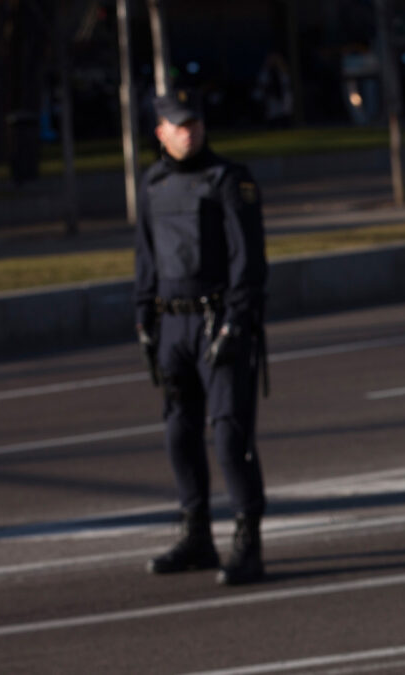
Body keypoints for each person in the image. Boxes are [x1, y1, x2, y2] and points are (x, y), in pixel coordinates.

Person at [134, 87, 269, 587]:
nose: (189, 131)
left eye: (195, 123)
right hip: (172, 325)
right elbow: (145, 257)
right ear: (160, 132)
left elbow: (248, 261)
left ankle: (247, 542)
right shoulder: (152, 184)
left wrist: (238, 319)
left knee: (231, 435)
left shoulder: (230, 180)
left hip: (219, 322)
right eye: (179, 124)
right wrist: (142, 317)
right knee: (179, 433)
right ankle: (196, 535)